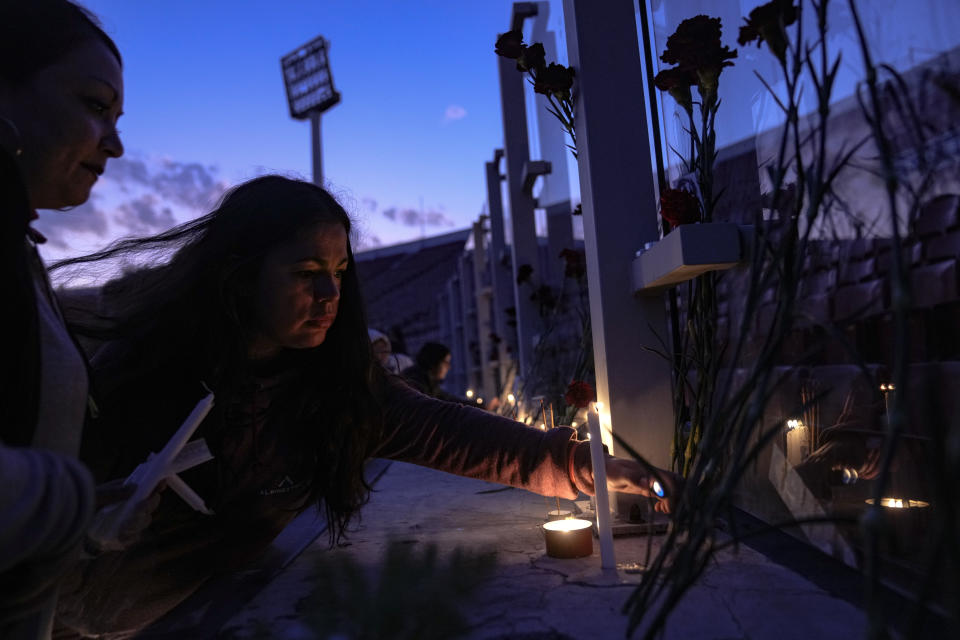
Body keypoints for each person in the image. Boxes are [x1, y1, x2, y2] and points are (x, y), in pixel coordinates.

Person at [52, 175, 678, 637]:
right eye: (305, 272)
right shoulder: (138, 372)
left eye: (339, 270)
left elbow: (457, 435)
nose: (330, 293)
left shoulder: (337, 387)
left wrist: (584, 464)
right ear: (240, 276)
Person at [0, 2, 148, 637]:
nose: (113, 145)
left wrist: (81, 522)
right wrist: (72, 501)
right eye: (94, 105)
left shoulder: (19, 248)